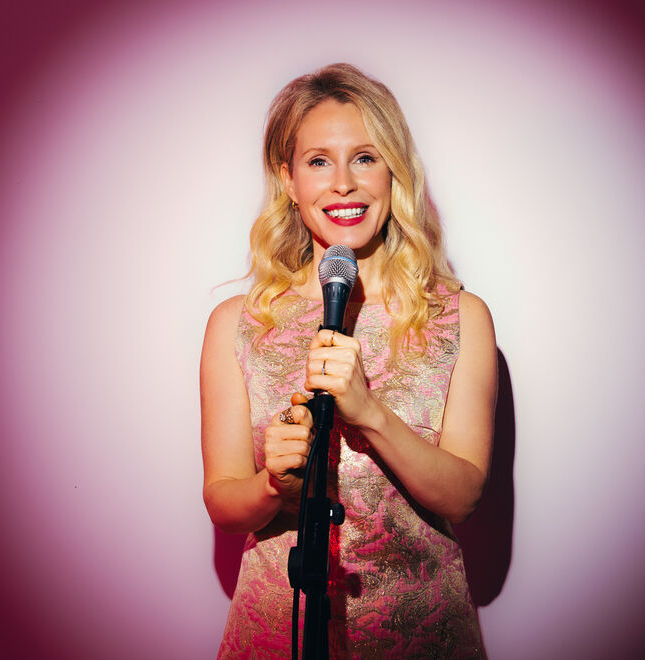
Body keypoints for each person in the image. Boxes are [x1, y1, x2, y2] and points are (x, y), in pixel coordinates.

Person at [201, 63, 497, 658]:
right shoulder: (238, 322)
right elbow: (223, 502)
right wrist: (271, 485)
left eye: (365, 157)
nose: (343, 183)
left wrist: (369, 413)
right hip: (277, 630)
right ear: (288, 179)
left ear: (393, 172)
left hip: (420, 637)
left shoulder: (460, 317)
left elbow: (463, 496)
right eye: (318, 161)